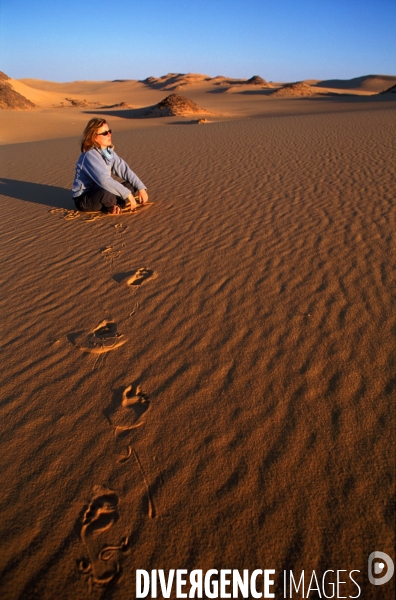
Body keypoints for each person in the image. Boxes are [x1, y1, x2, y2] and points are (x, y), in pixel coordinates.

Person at [72, 118, 149, 215]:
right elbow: (104, 180)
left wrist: (141, 188)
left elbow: (125, 171)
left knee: (132, 184)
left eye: (109, 131)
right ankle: (115, 204)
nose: (109, 134)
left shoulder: (108, 152)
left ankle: (114, 205)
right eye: (104, 133)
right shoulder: (89, 155)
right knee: (107, 190)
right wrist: (128, 195)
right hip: (85, 199)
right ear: (94, 137)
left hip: (103, 192)